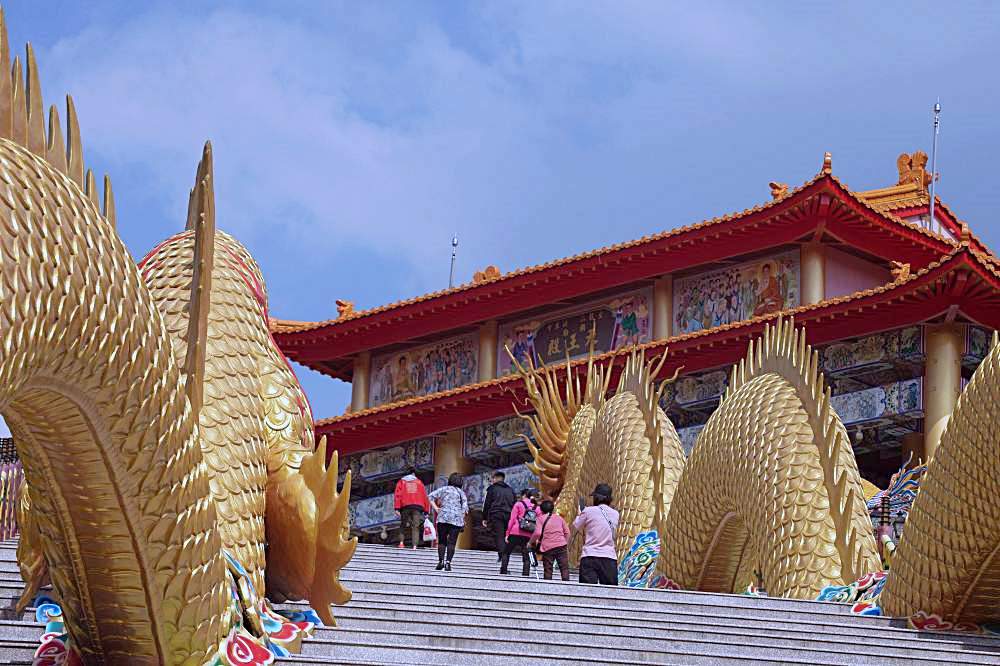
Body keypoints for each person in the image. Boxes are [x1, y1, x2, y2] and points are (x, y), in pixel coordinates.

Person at [572, 483, 620, 585]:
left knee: (587, 592)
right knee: (610, 593)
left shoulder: (588, 511)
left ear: (596, 498)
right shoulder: (616, 514)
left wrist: (579, 513)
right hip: (609, 557)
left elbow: (576, 526)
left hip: (590, 555)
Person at [428, 473, 469, 571]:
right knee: (452, 542)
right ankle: (448, 563)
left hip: (443, 518)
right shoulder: (461, 493)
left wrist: (436, 508)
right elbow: (465, 509)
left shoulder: (444, 489)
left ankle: (440, 561)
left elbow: (430, 496)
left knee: (442, 541)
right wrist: (462, 518)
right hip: (456, 520)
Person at [528, 499, 570, 581]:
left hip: (547, 547)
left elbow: (537, 533)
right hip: (561, 545)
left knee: (548, 568)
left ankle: (548, 587)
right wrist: (565, 542)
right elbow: (567, 532)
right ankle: (566, 586)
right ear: (552, 508)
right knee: (564, 567)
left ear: (541, 509)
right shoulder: (559, 518)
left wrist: (530, 542)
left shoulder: (540, 519)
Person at [501, 488, 540, 576]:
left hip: (515, 532)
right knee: (526, 556)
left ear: (526, 495)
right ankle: (525, 574)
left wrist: (507, 533)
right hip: (528, 534)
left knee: (506, 552)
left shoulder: (519, 504)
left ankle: (503, 571)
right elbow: (538, 524)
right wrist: (536, 538)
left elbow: (512, 519)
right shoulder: (537, 508)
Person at [481, 470, 516, 561]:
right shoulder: (510, 490)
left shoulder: (492, 489)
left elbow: (487, 504)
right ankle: (505, 555)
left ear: (496, 478)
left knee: (499, 535)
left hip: (496, 514)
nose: (492, 480)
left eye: (492, 478)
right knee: (506, 535)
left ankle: (502, 555)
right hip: (508, 515)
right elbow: (514, 504)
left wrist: (484, 518)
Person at [393, 467, 430, 549]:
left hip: (405, 506)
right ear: (413, 473)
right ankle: (414, 546)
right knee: (415, 526)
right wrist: (426, 510)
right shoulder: (419, 482)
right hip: (417, 506)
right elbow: (425, 496)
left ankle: (401, 543)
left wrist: (397, 508)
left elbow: (397, 496)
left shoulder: (401, 482)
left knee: (403, 524)